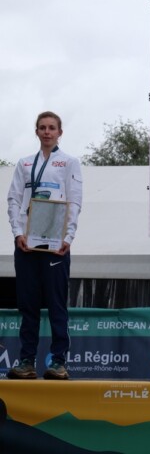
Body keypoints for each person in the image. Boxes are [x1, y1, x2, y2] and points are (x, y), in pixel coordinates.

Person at [6, 111, 83, 379]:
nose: (47, 132)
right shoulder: (24, 163)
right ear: (36, 131)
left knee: (56, 304)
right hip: (27, 242)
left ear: (60, 132)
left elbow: (74, 201)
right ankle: (27, 361)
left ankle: (59, 362)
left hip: (55, 243)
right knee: (28, 305)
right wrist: (18, 233)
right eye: (42, 127)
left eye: (52, 127)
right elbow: (14, 200)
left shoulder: (69, 163)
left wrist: (68, 237)